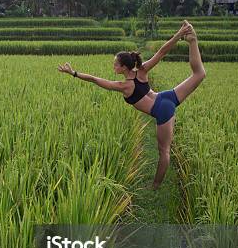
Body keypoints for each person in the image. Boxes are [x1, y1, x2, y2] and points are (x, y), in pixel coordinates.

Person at [57, 20, 206, 190]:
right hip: (166, 97)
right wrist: (179, 34)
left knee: (164, 151)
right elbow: (161, 52)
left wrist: (74, 73)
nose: (113, 66)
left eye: (115, 64)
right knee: (199, 74)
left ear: (123, 67)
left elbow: (94, 79)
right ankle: (192, 40)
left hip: (162, 110)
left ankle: (155, 186)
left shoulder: (124, 87)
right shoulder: (141, 71)